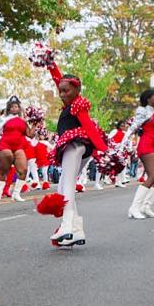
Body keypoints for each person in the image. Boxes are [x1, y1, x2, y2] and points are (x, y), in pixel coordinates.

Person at [41, 55, 108, 247]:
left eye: (66, 91)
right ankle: (77, 229)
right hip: (79, 148)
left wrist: (105, 151)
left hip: (76, 145)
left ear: (77, 90)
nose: (62, 94)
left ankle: (67, 226)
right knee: (63, 187)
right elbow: (58, 78)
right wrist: (50, 64)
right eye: (61, 91)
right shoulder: (69, 101)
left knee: (68, 186)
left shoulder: (78, 104)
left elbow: (89, 127)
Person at [125, 89, 154, 219]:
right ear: (148, 99)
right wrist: (122, 144)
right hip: (145, 147)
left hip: (153, 148)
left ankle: (146, 206)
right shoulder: (143, 111)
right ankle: (134, 207)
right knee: (153, 176)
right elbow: (132, 128)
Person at [0, 96, 30, 203]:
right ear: (9, 109)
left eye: (17, 107)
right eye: (12, 107)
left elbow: (30, 135)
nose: (15, 108)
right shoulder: (3, 119)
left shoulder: (23, 121)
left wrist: (35, 123)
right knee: (3, 170)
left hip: (18, 146)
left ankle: (16, 194)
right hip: (5, 144)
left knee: (23, 170)